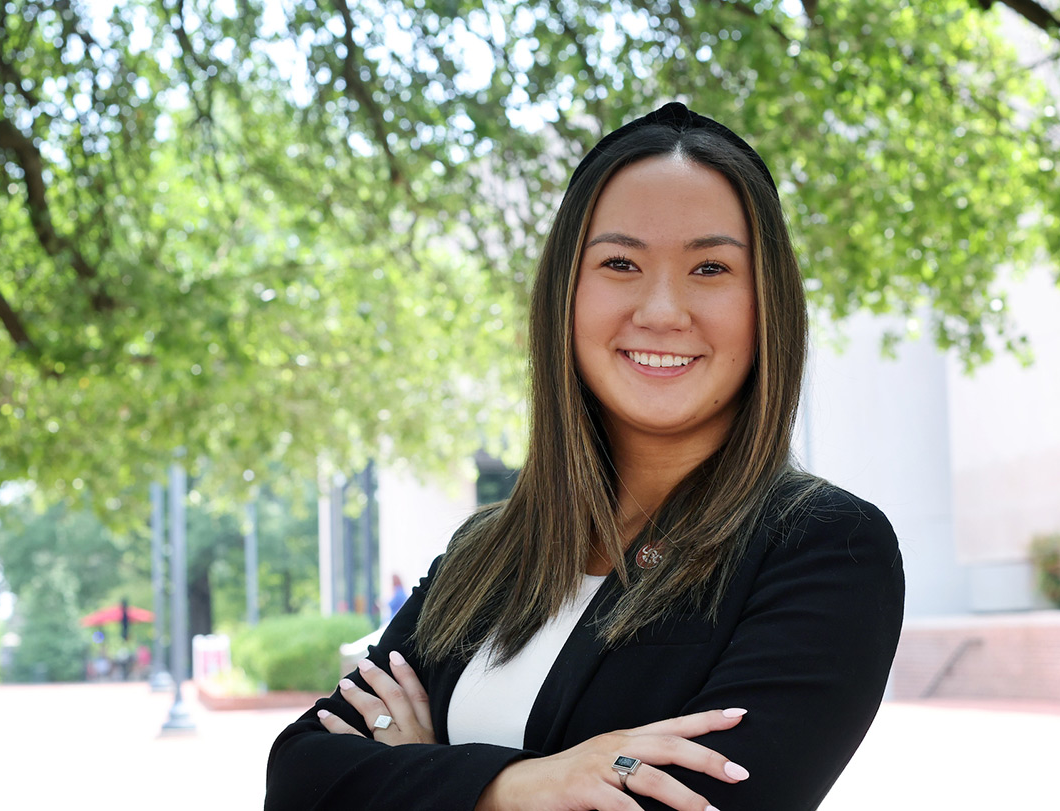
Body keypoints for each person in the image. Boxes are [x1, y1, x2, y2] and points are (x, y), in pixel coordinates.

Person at [264, 102, 905, 811]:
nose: (662, 309)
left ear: (767, 304)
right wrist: (517, 785)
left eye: (711, 266)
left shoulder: (824, 547)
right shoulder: (488, 550)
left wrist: (419, 771)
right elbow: (298, 776)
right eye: (621, 262)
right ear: (565, 294)